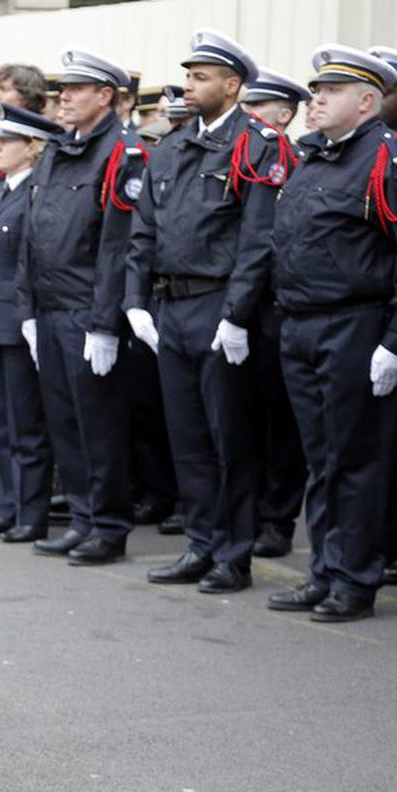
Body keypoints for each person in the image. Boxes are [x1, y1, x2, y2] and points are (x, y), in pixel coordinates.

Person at [125, 30, 281, 593]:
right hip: (171, 307)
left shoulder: (257, 143)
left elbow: (257, 239)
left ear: (232, 85)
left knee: (229, 437)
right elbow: (143, 230)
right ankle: (201, 542)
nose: (189, 86)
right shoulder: (172, 144)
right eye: (188, 76)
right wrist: (134, 301)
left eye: (201, 77)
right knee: (186, 437)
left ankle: (233, 555)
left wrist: (237, 315)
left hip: (219, 304)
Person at [265, 46, 397, 622]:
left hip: (355, 324)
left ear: (366, 101)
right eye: (315, 89)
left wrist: (393, 340)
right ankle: (324, 569)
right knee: (320, 457)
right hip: (300, 324)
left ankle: (354, 578)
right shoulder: (314, 158)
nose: (314, 100)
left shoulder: (384, 160)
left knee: (355, 459)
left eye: (330, 91)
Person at [16, 48, 145, 566]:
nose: (62, 98)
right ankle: (84, 518)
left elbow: (118, 245)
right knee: (65, 422)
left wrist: (104, 323)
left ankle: (109, 525)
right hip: (50, 308)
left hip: (87, 312)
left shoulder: (122, 152)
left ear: (106, 96)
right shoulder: (57, 149)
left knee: (99, 424)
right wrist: (28, 306)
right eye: (61, 90)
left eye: (75, 90)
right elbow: (34, 231)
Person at [0, 104, 62, 541]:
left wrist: (27, 319)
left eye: (7, 142)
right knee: (5, 422)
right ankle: (7, 507)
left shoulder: (36, 192)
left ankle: (30, 512)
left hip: (19, 319)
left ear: (32, 148)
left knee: (27, 424)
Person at [238, 67, 312, 558]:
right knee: (247, 417)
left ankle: (276, 519)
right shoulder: (242, 154)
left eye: (254, 108)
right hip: (244, 305)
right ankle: (248, 511)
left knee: (281, 422)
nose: (244, 117)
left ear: (283, 115)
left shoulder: (299, 158)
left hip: (281, 307)